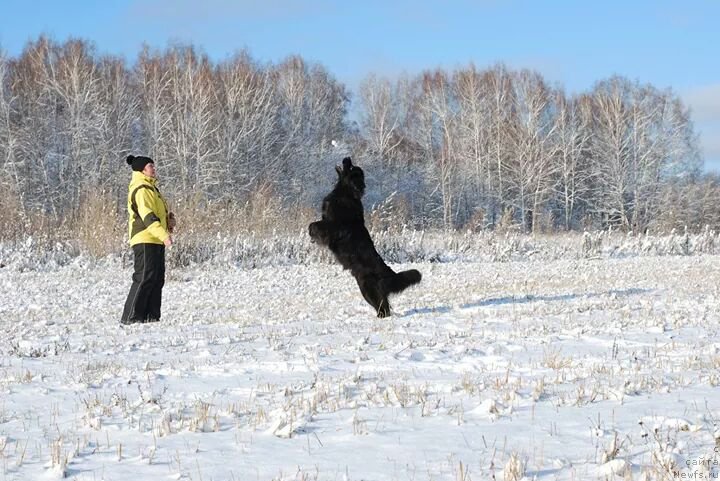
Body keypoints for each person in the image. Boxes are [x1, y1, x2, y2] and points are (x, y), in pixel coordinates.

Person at [120, 155, 176, 325]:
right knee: (144, 277)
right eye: (151, 166)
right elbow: (148, 217)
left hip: (155, 238)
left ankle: (151, 318)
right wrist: (164, 235)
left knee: (157, 279)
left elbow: (158, 214)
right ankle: (131, 318)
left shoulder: (153, 189)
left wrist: (169, 220)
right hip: (145, 238)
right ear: (142, 170)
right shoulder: (142, 189)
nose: (154, 168)